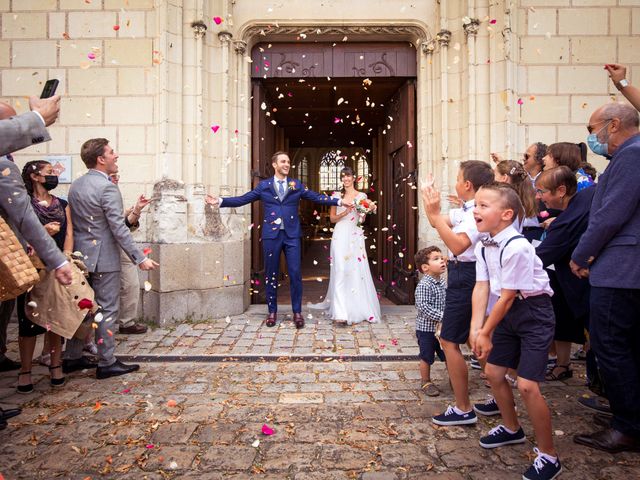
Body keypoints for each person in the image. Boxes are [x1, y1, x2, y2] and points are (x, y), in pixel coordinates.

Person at [470, 183, 561, 480]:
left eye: (484, 205)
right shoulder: (485, 244)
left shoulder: (518, 246)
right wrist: (476, 326)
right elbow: (483, 286)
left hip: (533, 313)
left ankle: (549, 455)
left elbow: (509, 295)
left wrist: (485, 332)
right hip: (506, 314)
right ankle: (511, 428)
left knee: (527, 385)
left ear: (506, 214)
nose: (476, 210)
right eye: (476, 204)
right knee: (494, 374)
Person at [206, 151, 348, 329]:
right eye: (283, 161)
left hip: (292, 236)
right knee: (271, 273)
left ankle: (297, 313)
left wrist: (340, 202)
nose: (287, 164)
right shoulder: (263, 186)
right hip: (271, 236)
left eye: (288, 162)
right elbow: (243, 199)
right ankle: (271, 312)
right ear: (275, 165)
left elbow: (315, 196)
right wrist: (220, 201)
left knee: (295, 274)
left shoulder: (296, 184)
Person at [571, 102, 640, 453]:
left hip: (622, 269)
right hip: (622, 266)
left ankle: (628, 427)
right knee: (623, 346)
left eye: (592, 127)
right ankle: (628, 414)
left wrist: (582, 254)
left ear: (613, 125)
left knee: (611, 345)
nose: (591, 137)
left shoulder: (632, 154)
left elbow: (612, 214)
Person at [64, 138, 157, 380]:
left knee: (83, 308)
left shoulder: (76, 186)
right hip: (104, 258)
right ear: (100, 159)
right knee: (106, 310)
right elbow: (118, 228)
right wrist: (139, 258)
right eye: (112, 152)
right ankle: (106, 362)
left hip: (81, 257)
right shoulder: (107, 187)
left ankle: (72, 357)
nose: (116, 156)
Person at [421, 160, 494, 426]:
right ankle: (498, 393)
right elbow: (436, 222)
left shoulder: (477, 212)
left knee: (449, 340)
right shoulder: (466, 210)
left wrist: (436, 211)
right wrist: (431, 204)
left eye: (457, 177)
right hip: (464, 273)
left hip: (467, 275)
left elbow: (458, 245)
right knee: (471, 340)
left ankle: (463, 408)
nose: (454, 182)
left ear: (467, 185)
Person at [16, 160, 72, 393]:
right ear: (35, 176)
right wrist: (41, 234)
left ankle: (55, 366)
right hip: (32, 266)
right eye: (49, 173)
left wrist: (67, 257)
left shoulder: (62, 203)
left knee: (55, 319)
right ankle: (25, 370)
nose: (53, 176)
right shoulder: (24, 204)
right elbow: (18, 232)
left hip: (58, 265)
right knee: (28, 320)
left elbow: (69, 231)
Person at [534, 167, 594, 383]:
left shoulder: (565, 224)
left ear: (561, 190)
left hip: (586, 292)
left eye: (542, 191)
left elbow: (537, 259)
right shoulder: (588, 196)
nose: (539, 197)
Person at [308, 167, 380, 324]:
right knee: (340, 269)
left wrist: (366, 210)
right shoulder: (336, 196)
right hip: (340, 234)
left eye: (348, 176)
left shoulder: (362, 196)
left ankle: (358, 308)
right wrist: (345, 212)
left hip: (355, 235)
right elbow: (333, 219)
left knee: (355, 269)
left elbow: (362, 220)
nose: (346, 179)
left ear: (354, 177)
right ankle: (340, 312)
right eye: (343, 176)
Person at [109, 173, 151, 335]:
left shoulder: (114, 190)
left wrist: (136, 210)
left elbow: (123, 224)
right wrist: (140, 257)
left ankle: (126, 322)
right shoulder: (99, 189)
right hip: (106, 247)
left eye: (118, 175)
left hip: (122, 246)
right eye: (113, 175)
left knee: (131, 284)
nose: (117, 177)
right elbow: (116, 225)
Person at [413, 246, 446, 396]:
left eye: (441, 257)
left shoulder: (443, 282)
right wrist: (443, 316)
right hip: (426, 329)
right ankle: (425, 381)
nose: (442, 260)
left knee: (448, 354)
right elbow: (423, 307)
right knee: (426, 355)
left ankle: (456, 379)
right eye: (436, 259)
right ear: (425, 267)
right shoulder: (424, 285)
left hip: (443, 328)